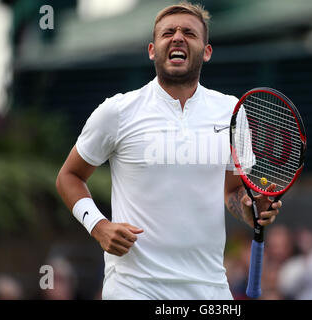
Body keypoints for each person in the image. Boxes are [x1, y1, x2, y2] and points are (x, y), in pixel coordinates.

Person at [56, 1, 282, 300]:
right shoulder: (117, 111)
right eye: (168, 33)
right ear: (152, 50)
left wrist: (253, 210)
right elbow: (69, 176)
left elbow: (233, 192)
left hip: (209, 288)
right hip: (134, 288)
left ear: (207, 51)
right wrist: (98, 226)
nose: (177, 37)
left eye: (189, 33)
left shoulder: (232, 111)